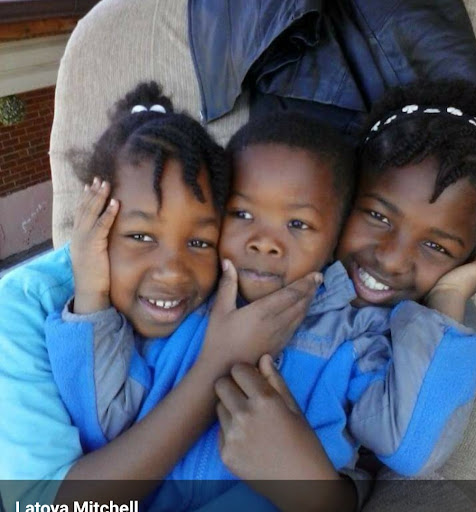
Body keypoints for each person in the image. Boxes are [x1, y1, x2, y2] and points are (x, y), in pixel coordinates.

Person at [46, 84, 476, 509]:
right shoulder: (182, 307)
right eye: (242, 214)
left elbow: (410, 449)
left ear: (334, 237)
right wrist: (92, 293)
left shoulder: (355, 337)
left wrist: (446, 304)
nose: (264, 243)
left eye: (298, 224)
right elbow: (102, 422)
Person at [0, 83, 322, 510]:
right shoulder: (22, 305)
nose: (173, 271)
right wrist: (218, 366)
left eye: (200, 242)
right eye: (140, 235)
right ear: (92, 222)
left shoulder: (226, 292)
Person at [205, 80, 476, 510]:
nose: (392, 259)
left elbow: (409, 450)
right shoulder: (263, 261)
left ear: (465, 258)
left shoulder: (373, 342)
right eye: (377, 216)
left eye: (436, 246)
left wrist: (447, 300)